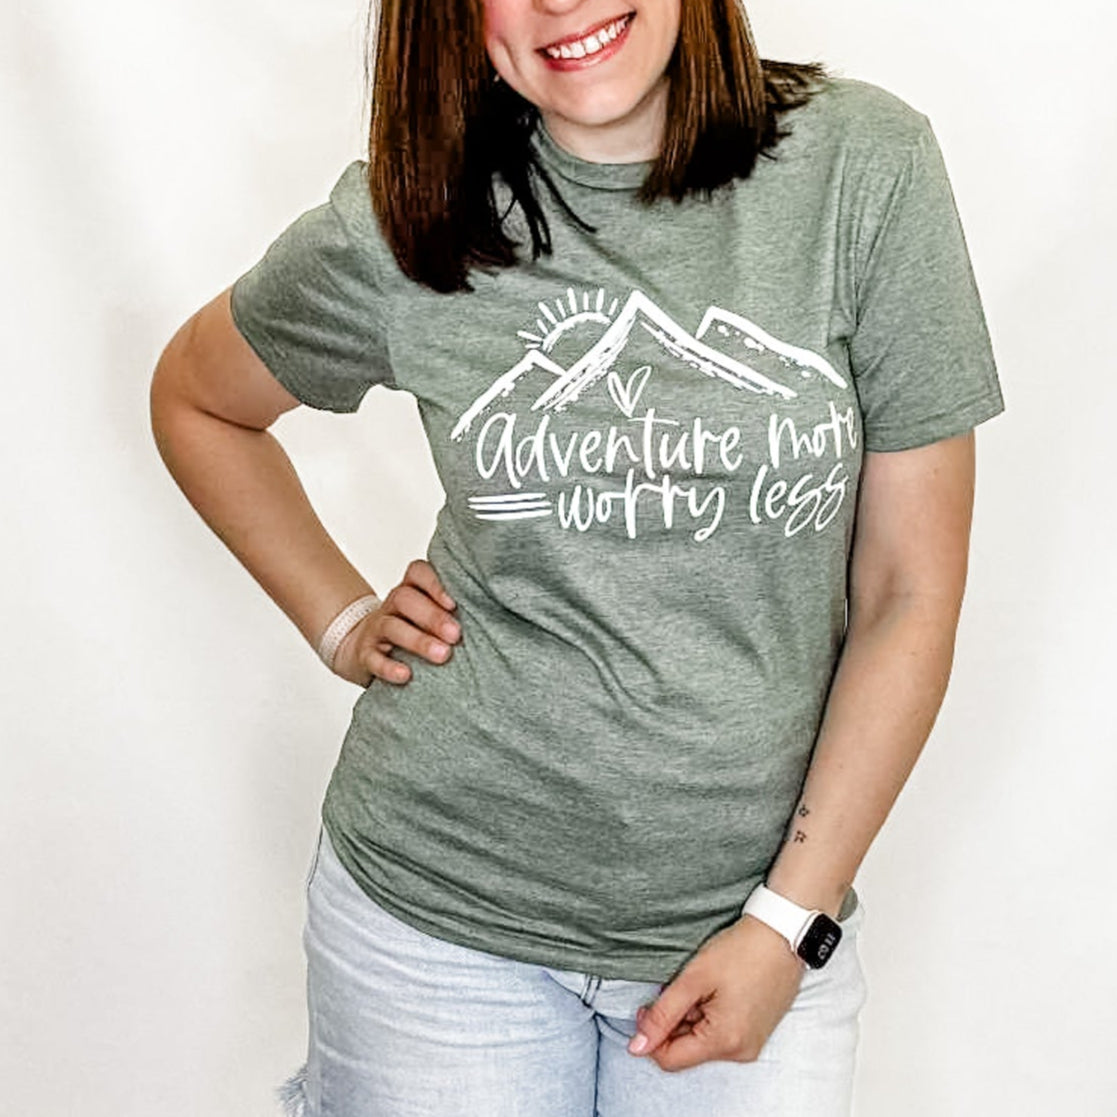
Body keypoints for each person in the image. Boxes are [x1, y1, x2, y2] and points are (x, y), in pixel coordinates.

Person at [150, 0, 1004, 1113]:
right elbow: (199, 401)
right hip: (434, 928)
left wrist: (785, 924)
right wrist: (341, 617)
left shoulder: (863, 169)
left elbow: (908, 592)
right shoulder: (408, 221)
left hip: (745, 925)